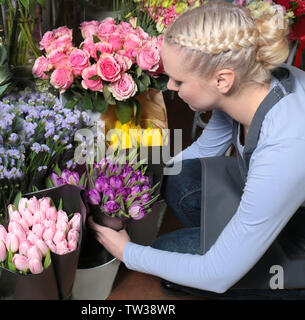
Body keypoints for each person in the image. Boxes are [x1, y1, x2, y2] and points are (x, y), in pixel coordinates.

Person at [88, 1, 305, 299]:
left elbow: (217, 276)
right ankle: (241, 243)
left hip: (299, 239)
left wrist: (126, 252)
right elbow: (203, 150)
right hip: (284, 207)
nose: (171, 87)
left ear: (222, 80)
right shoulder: (250, 80)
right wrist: (132, 187)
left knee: (167, 256)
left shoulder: (286, 144)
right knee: (179, 177)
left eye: (179, 80)